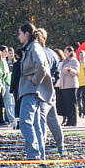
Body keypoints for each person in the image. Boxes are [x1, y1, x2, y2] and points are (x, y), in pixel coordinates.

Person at [18, 23, 55, 160]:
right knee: (36, 125)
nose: (19, 37)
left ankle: (33, 155)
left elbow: (41, 66)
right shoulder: (32, 47)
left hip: (32, 90)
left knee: (25, 122)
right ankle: (40, 156)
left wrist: (34, 80)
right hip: (34, 91)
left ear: (27, 34)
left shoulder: (34, 47)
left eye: (20, 33)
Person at [56, 46, 79, 127]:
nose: (65, 53)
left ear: (70, 52)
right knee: (66, 104)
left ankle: (73, 121)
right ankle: (68, 120)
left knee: (71, 104)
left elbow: (77, 72)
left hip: (71, 85)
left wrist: (70, 70)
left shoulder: (74, 61)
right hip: (64, 85)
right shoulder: (64, 61)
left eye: (66, 52)